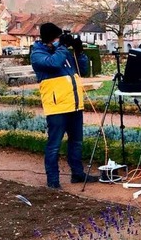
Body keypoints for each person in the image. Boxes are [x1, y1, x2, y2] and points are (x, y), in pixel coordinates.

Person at [31, 23, 98, 189]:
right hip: (57, 107)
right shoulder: (37, 53)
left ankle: (77, 174)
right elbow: (53, 64)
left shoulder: (63, 51)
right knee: (54, 145)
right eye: (57, 38)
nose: (59, 41)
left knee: (76, 142)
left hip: (74, 104)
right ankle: (53, 181)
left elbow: (83, 70)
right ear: (49, 39)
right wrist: (62, 47)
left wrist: (79, 51)